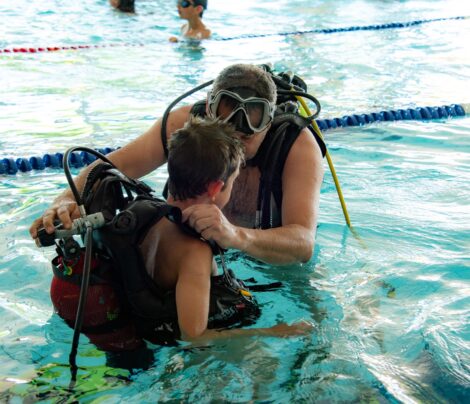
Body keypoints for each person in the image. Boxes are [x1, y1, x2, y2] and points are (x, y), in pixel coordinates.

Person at [30, 64, 325, 266]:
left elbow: (303, 243)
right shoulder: (185, 127)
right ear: (209, 108)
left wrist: (236, 236)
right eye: (225, 122)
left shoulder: (296, 147)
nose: (236, 135)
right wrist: (66, 199)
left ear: (269, 120)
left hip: (270, 269)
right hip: (189, 256)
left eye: (249, 129)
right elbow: (108, 167)